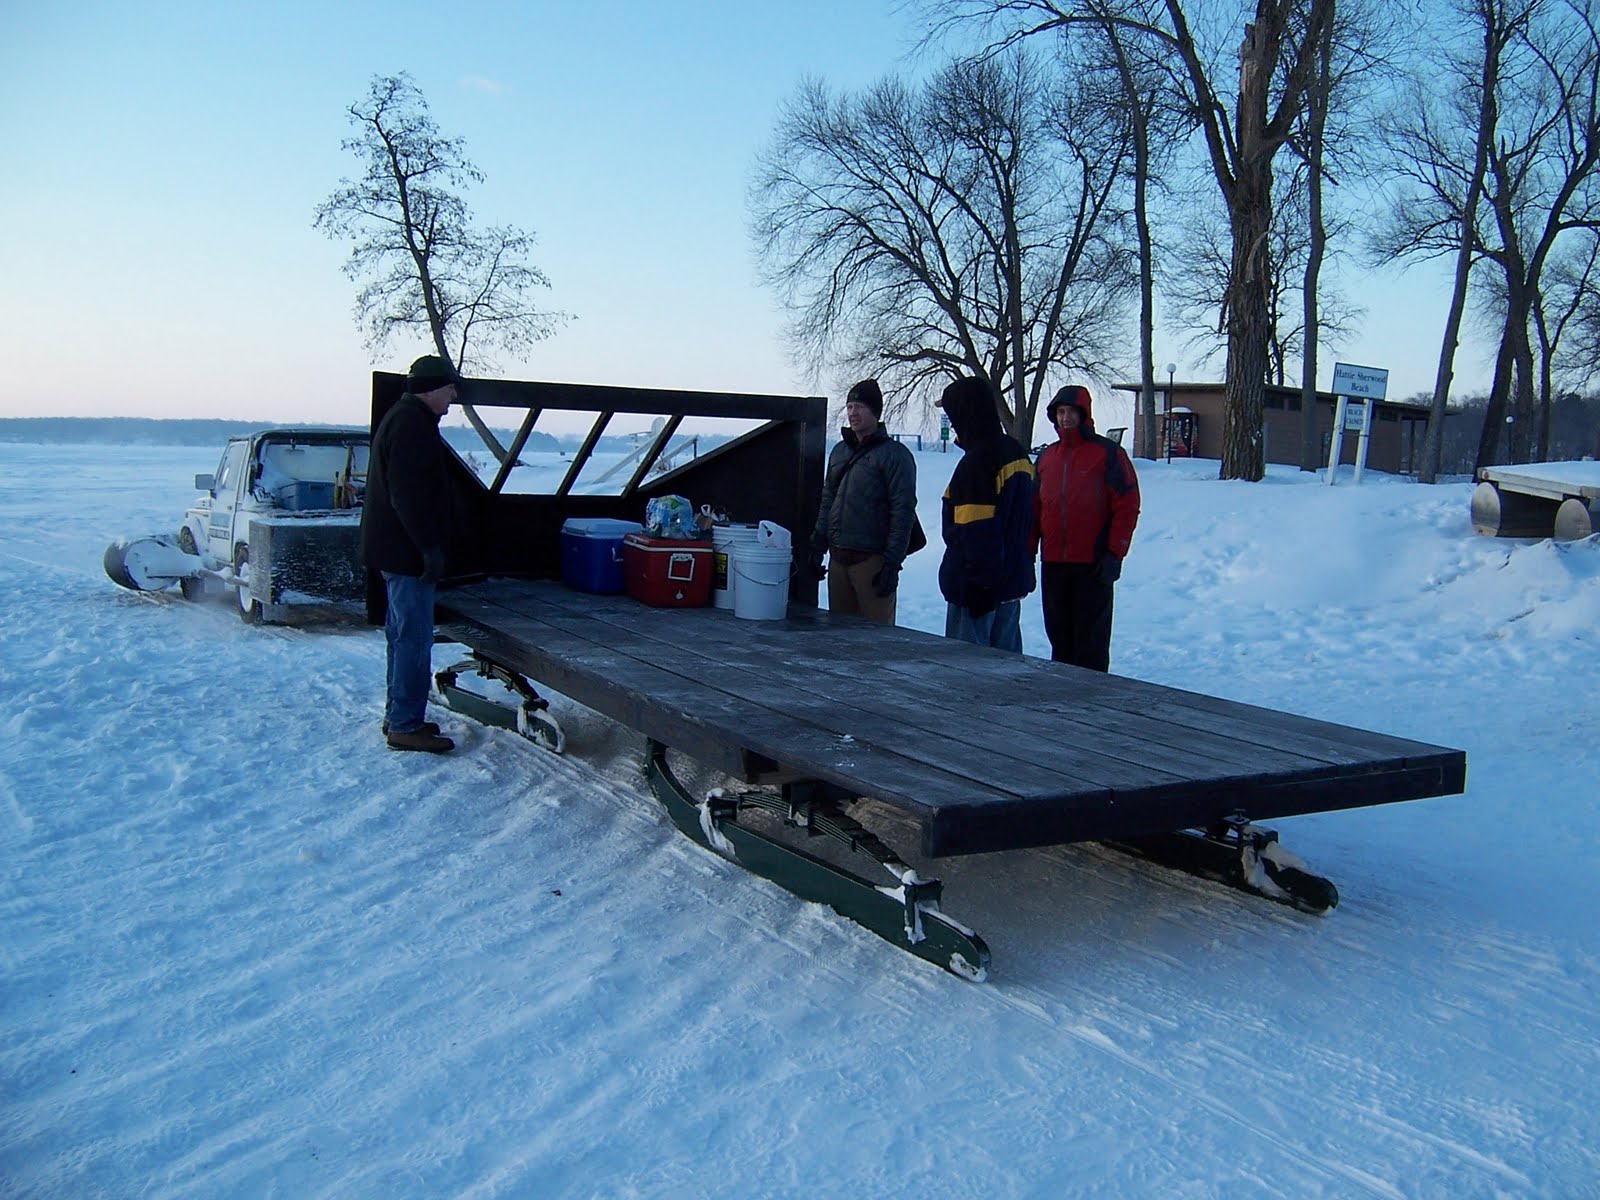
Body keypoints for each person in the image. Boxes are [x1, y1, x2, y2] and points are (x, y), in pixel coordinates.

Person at [359, 354, 458, 753]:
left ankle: (399, 716)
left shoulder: (405, 419)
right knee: (414, 640)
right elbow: (408, 497)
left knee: (401, 637)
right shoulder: (411, 425)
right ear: (432, 389)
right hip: (406, 556)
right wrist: (428, 549)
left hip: (395, 552)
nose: (453, 398)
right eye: (450, 389)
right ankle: (404, 724)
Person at [1032, 384, 1141, 672]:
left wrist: (1114, 554)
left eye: (1071, 412)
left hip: (1093, 564)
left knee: (1090, 643)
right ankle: (1062, 700)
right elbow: (1034, 510)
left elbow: (1127, 506)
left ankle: (1091, 704)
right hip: (1054, 562)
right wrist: (1027, 552)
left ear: (1085, 414)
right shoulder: (1046, 459)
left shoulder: (1108, 455)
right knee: (1060, 638)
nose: (1065, 418)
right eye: (1060, 412)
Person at [935, 376, 1037, 652]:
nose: (951, 421)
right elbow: (1027, 521)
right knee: (1006, 671)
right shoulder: (1016, 453)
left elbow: (976, 531)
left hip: (978, 594)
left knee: (966, 674)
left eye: (951, 413)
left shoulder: (978, 462)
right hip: (1010, 585)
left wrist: (980, 586)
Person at [807, 378, 918, 624]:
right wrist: (817, 546)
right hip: (838, 559)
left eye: (860, 407)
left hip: (872, 562)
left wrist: (891, 564)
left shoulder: (895, 455)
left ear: (875, 412)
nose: (853, 413)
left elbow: (903, 511)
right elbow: (828, 501)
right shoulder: (839, 452)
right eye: (849, 406)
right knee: (839, 637)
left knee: (875, 640)